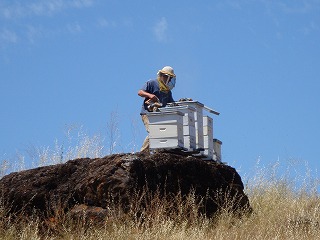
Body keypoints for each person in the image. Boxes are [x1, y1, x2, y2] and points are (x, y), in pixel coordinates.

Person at [138, 66, 177, 152]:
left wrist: (182, 103)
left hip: (158, 115)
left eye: (171, 79)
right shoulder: (152, 83)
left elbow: (172, 104)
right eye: (169, 78)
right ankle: (143, 153)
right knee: (153, 131)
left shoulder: (167, 91)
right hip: (147, 113)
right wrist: (150, 95)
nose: (170, 81)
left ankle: (157, 152)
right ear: (164, 76)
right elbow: (140, 92)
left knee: (161, 133)